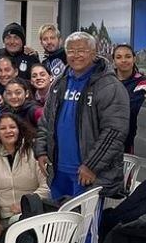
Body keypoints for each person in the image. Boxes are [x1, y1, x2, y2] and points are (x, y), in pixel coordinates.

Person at [36, 31, 130, 200]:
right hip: (60, 173)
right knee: (64, 225)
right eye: (71, 51)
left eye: (82, 50)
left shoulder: (109, 86)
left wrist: (91, 166)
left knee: (88, 226)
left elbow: (114, 131)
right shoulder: (59, 83)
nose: (76, 55)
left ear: (94, 53)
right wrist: (41, 151)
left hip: (90, 176)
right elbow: (46, 121)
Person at [0, 114, 49, 242]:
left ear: (19, 129)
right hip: (5, 218)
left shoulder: (33, 150)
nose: (8, 131)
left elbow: (47, 187)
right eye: (3, 128)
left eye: (12, 127)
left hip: (33, 215)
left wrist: (25, 205)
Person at [0, 23, 40, 92]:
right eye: (8, 38)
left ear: (22, 41)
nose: (12, 42)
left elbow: (37, 85)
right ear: (3, 40)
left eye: (16, 38)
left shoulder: (31, 58)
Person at [112, 44, 146, 153]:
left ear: (134, 59)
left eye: (128, 56)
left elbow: (133, 109)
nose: (123, 60)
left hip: (132, 141)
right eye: (118, 57)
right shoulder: (106, 82)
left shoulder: (144, 83)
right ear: (113, 61)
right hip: (107, 139)